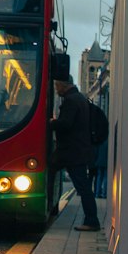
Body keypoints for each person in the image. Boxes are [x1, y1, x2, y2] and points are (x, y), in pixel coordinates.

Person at [50, 75, 99, 230]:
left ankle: (92, 221)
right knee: (82, 186)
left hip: (71, 151)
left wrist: (51, 123)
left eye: (57, 86)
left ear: (64, 85)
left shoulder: (71, 101)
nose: (56, 90)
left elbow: (66, 124)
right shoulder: (79, 98)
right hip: (75, 150)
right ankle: (91, 220)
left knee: (82, 187)